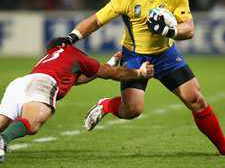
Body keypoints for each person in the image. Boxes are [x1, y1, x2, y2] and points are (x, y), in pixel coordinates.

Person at [49, 0, 225, 155]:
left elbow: (189, 28)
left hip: (166, 54)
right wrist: (71, 38)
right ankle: (106, 105)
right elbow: (96, 20)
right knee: (132, 110)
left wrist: (171, 31)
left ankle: (223, 148)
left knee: (196, 99)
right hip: (135, 57)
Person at [0, 40, 154, 162]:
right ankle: (3, 140)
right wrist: (139, 73)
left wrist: (109, 64)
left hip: (20, 83)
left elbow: (77, 79)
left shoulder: (50, 58)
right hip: (43, 83)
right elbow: (111, 74)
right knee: (32, 123)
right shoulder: (72, 53)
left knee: (3, 121)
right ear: (65, 45)